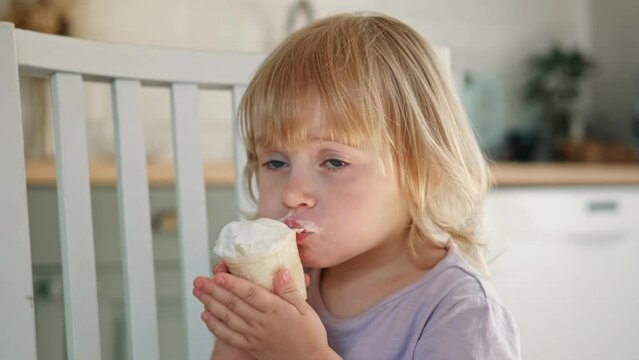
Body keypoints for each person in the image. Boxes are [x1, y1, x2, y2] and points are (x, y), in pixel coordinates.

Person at [192, 12, 520, 360]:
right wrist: (239, 330)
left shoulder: (461, 313)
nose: (291, 193)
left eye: (334, 162)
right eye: (275, 162)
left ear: (424, 170)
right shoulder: (289, 287)